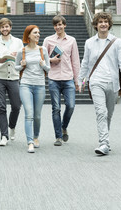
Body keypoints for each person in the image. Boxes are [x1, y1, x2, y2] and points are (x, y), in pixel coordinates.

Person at [78, 12, 121, 156]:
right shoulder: (89, 42)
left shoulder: (117, 42)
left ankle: (105, 138)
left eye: (105, 21)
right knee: (101, 112)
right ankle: (104, 143)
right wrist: (81, 80)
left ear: (109, 24)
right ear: (95, 25)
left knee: (109, 114)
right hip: (96, 82)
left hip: (112, 82)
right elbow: (85, 63)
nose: (103, 24)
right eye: (100, 21)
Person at [42, 15, 80, 146]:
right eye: (56, 25)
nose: (58, 27)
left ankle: (64, 126)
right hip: (54, 78)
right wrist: (52, 60)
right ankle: (58, 136)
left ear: (65, 25)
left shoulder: (72, 40)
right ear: (54, 27)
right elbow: (42, 58)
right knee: (56, 108)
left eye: (60, 24)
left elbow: (75, 61)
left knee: (70, 106)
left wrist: (77, 80)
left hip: (68, 78)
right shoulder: (48, 40)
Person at [0, 18, 24, 146]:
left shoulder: (18, 42)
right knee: (1, 107)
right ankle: (4, 135)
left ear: (10, 27)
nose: (5, 29)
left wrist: (17, 59)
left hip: (14, 77)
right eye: (2, 27)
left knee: (16, 106)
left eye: (7, 26)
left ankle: (12, 126)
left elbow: (22, 60)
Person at [15, 25, 50, 153]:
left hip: (40, 84)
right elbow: (16, 67)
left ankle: (36, 137)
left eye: (39, 33)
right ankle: (29, 142)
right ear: (28, 35)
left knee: (37, 115)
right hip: (25, 84)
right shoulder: (22, 51)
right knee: (29, 113)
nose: (38, 35)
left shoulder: (43, 50)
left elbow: (49, 69)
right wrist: (21, 65)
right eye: (35, 33)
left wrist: (43, 65)